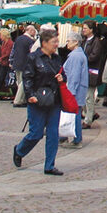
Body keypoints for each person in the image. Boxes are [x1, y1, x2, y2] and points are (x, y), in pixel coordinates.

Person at [13, 28, 65, 176]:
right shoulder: (33, 58)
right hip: (37, 100)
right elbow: (27, 78)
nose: (56, 44)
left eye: (57, 41)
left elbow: (62, 74)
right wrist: (30, 95)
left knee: (53, 134)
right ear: (44, 43)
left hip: (54, 100)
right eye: (54, 42)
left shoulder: (56, 59)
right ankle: (19, 150)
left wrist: (62, 78)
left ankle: (49, 165)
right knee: (36, 133)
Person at [62, 32, 87, 147]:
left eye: (68, 40)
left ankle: (76, 139)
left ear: (76, 42)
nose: (67, 43)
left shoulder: (75, 56)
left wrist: (70, 92)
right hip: (79, 88)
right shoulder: (78, 54)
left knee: (74, 113)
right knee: (74, 112)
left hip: (75, 90)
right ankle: (64, 136)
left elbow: (74, 75)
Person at [80, 20, 102, 129]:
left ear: (91, 29)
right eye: (83, 28)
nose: (83, 30)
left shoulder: (96, 42)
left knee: (89, 96)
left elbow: (94, 56)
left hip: (91, 72)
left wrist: (83, 60)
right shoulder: (84, 41)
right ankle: (92, 113)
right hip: (83, 72)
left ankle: (88, 120)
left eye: (85, 28)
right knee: (83, 96)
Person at [11, 24, 37, 107]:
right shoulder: (30, 41)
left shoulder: (18, 39)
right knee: (23, 83)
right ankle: (18, 100)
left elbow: (14, 50)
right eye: (34, 31)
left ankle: (22, 99)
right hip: (25, 63)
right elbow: (32, 52)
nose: (34, 32)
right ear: (30, 31)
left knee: (19, 83)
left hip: (16, 63)